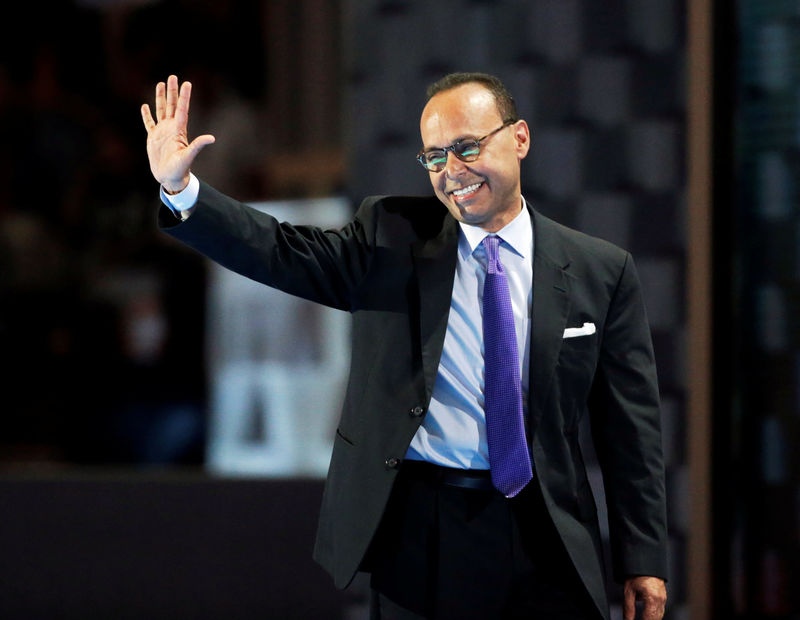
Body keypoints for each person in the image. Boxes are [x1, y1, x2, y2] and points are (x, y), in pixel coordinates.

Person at [141, 72, 668, 620]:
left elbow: (630, 431)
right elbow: (279, 250)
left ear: (520, 139)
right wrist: (184, 192)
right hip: (422, 531)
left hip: (546, 530)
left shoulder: (601, 270)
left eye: (467, 148)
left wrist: (644, 558)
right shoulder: (390, 237)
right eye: (435, 157)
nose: (452, 172)